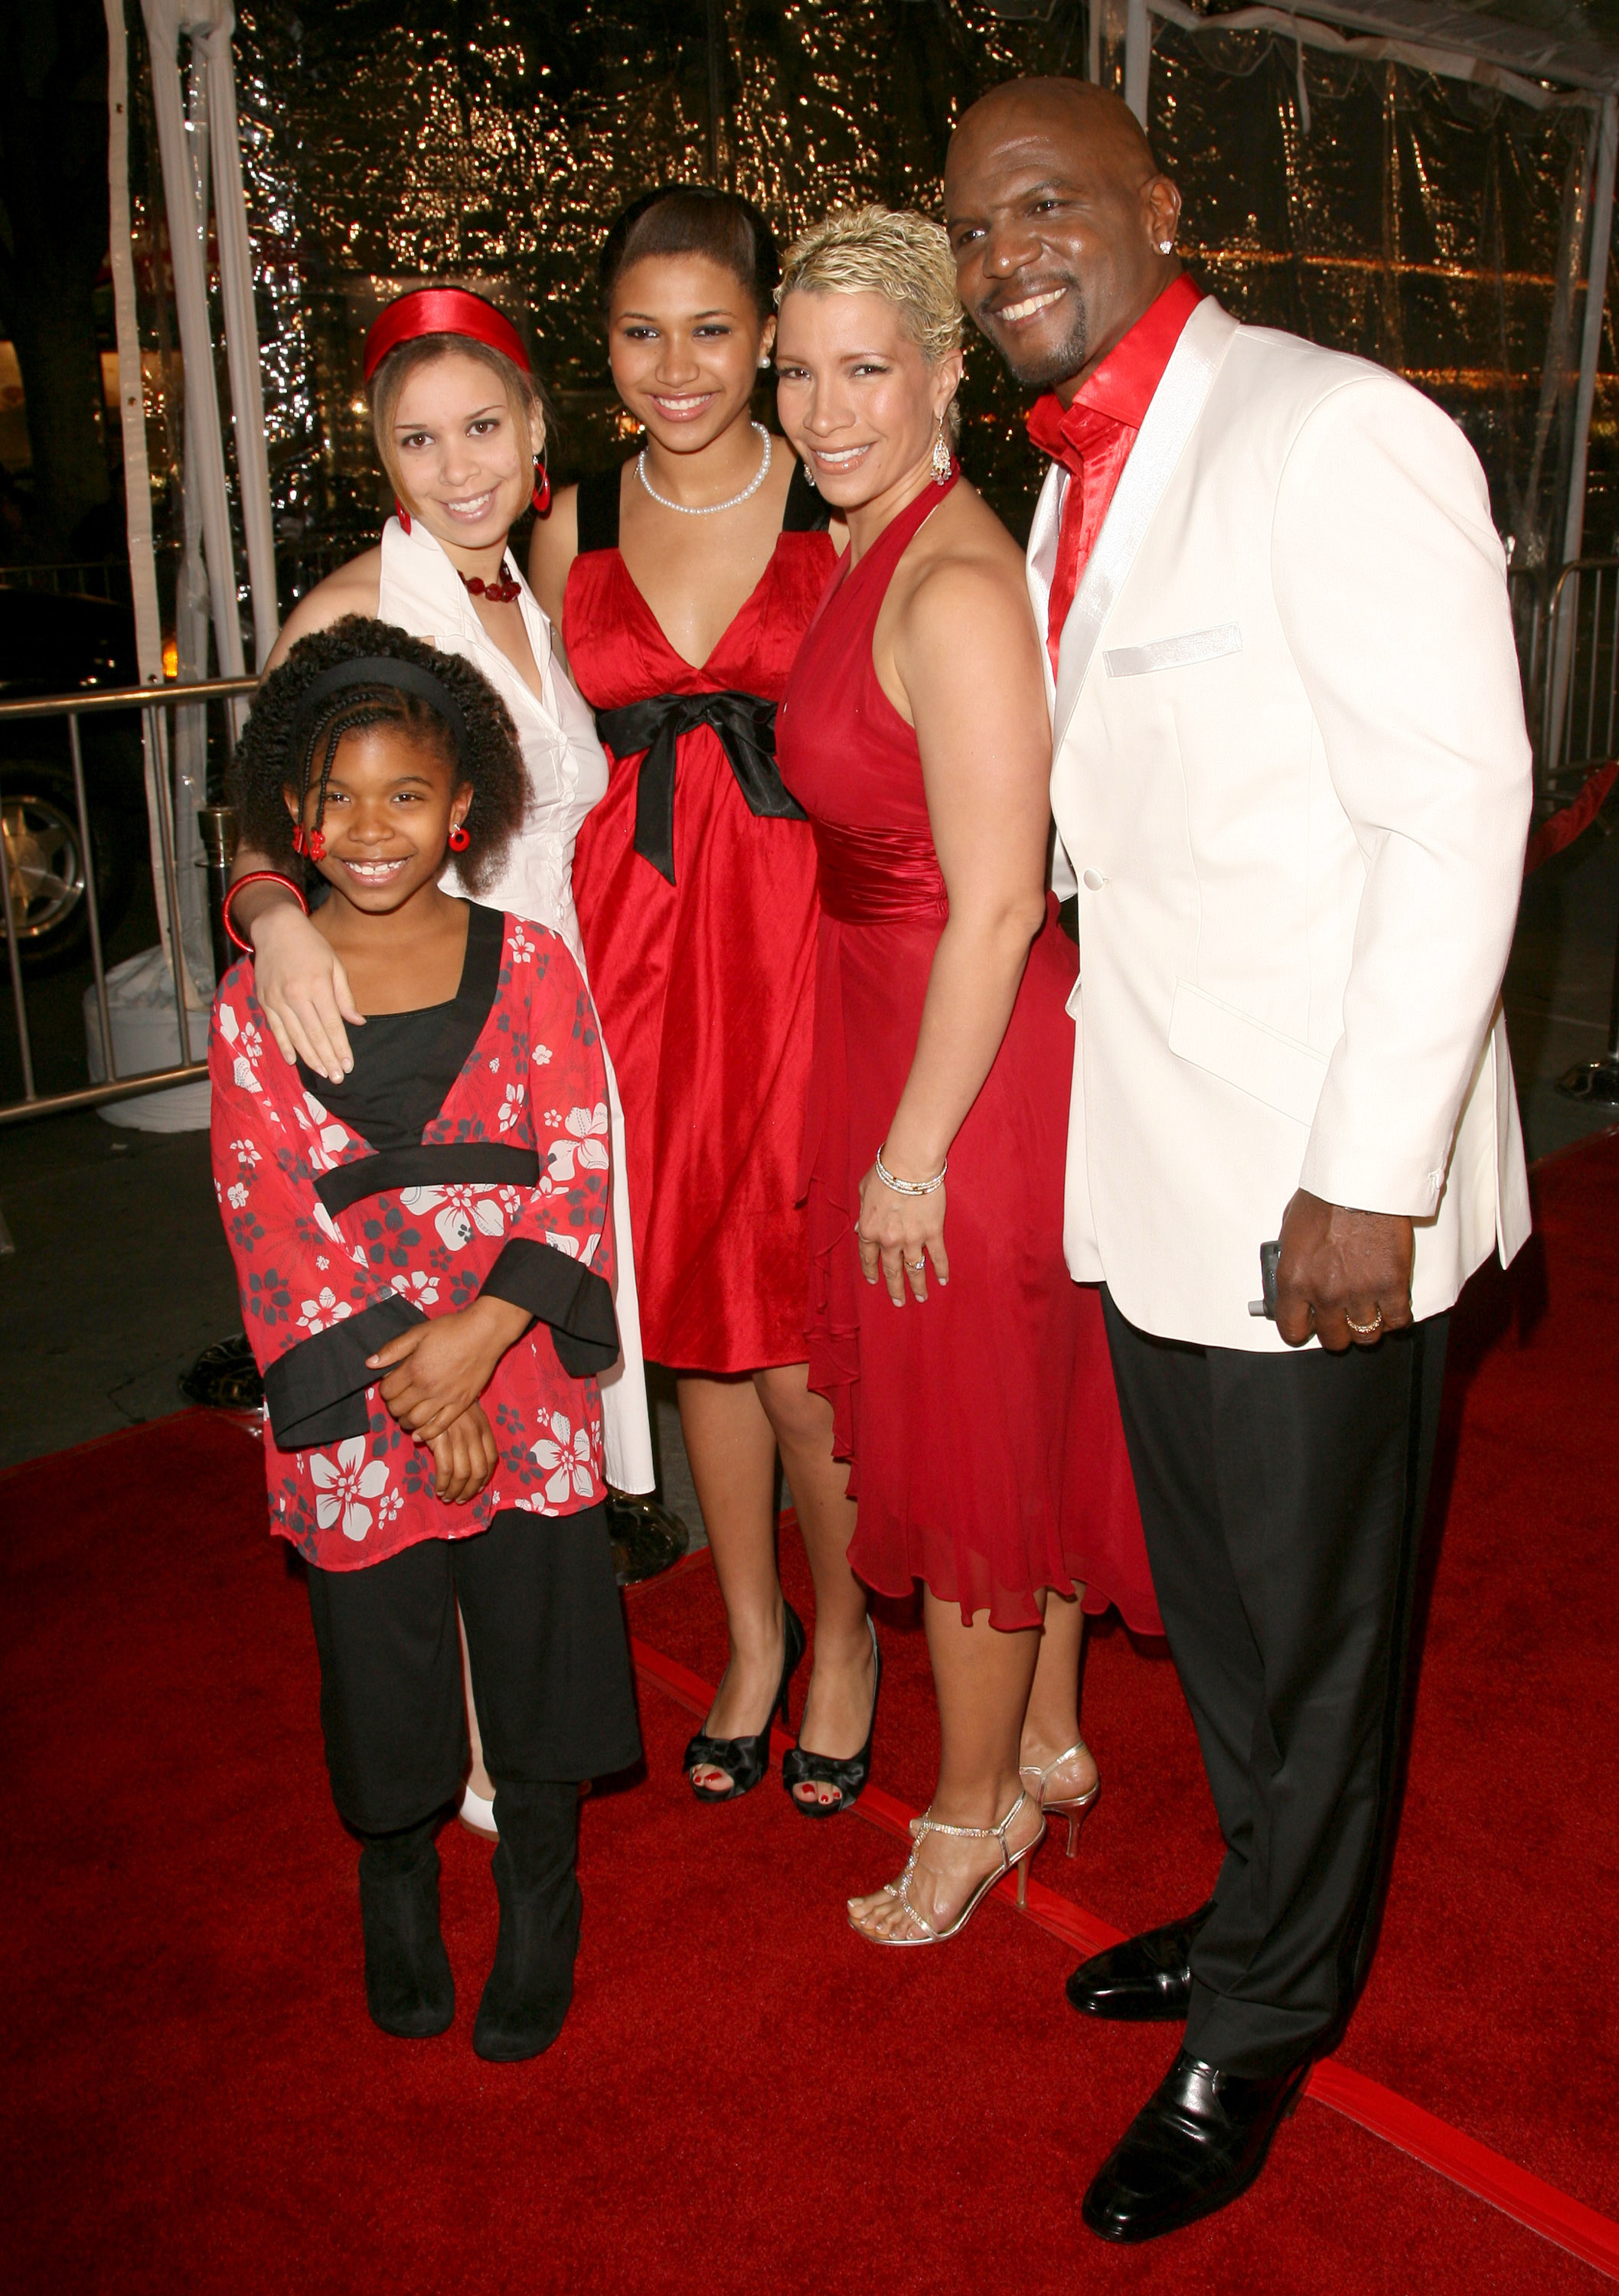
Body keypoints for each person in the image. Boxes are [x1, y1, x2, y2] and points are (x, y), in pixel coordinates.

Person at [944, 78, 1532, 2241]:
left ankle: (1264, 2022)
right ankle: (1258, 1901)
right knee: (1219, 1616)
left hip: (1316, 1184)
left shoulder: (1324, 426)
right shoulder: (1071, 485)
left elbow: (1455, 806)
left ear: (1155, 201)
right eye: (969, 223)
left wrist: (1370, 1170)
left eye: (1042, 202)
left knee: (1311, 1628)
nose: (1004, 249)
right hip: (1163, 1159)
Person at [772, 204, 1159, 1945]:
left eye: (865, 367)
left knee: (968, 1449)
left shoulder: (948, 576)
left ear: (943, 374)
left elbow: (1003, 897)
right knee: (1010, 1426)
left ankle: (971, 1805)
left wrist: (915, 1148)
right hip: (901, 1023)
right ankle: (1055, 1733)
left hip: (967, 1058)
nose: (822, 405)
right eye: (800, 370)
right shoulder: (869, 546)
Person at [224, 286, 655, 1838]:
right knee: (437, 1365)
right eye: (418, 439)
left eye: (482, 427)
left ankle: (518, 1712)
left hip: (555, 1018)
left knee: (523, 1378)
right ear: (380, 455)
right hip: (420, 1044)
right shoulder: (353, 610)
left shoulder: (528, 590)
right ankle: (470, 1747)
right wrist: (272, 916)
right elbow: (265, 814)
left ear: (536, 432)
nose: (455, 463)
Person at [210, 618, 641, 2060]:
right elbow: (264, 1215)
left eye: (409, 797)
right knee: (381, 1659)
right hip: (363, 1392)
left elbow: (578, 1159)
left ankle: (540, 1888)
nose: (374, 829)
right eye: (339, 798)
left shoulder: (530, 967)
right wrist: (419, 1367)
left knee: (539, 1647)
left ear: (465, 813)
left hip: (516, 1367)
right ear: (295, 817)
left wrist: (485, 1340)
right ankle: (395, 1874)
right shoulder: (257, 1002)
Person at [530, 188, 876, 1815]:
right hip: (632, 966)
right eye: (639, 331)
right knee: (694, 1345)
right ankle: (750, 1638)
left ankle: (850, 1637)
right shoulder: (564, 522)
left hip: (803, 953)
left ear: (767, 334)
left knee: (802, 1343)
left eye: (712, 329)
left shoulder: (840, 496)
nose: (676, 366)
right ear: (602, 347)